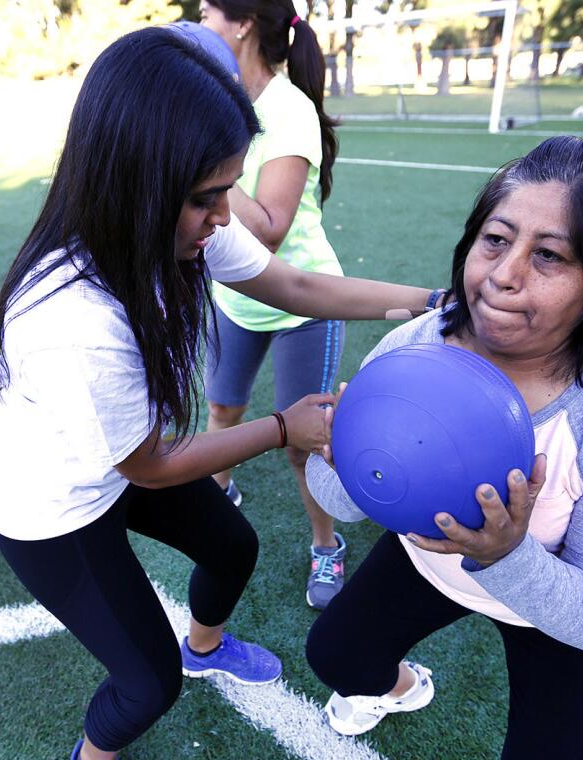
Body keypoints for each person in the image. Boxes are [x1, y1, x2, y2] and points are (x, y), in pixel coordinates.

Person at [0, 28, 437, 760]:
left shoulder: (182, 228)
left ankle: (208, 646)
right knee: (147, 681)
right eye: (206, 197)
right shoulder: (75, 314)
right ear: (135, 181)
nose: (225, 217)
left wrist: (432, 304)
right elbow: (147, 467)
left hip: (117, 457)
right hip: (50, 508)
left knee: (234, 543)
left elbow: (298, 287)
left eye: (226, 190)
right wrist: (285, 428)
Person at [303, 136, 583, 760]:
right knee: (337, 658)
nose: (503, 275)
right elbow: (342, 499)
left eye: (549, 256)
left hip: (555, 600)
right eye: (495, 240)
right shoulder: (415, 348)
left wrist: (507, 555)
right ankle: (402, 688)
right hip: (431, 565)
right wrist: (336, 457)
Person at [199, 0, 350, 610]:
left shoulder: (288, 109)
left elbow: (268, 228)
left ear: (241, 24)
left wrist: (198, 157)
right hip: (234, 298)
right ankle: (218, 500)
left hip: (300, 302)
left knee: (302, 443)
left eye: (207, 9)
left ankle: (327, 545)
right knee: (222, 408)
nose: (198, 17)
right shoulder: (219, 97)